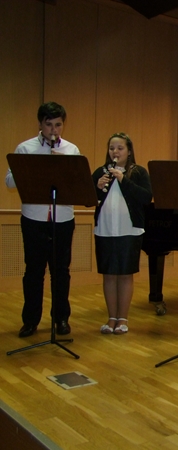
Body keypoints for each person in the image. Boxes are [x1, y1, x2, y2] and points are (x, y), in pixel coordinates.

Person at [5, 102, 80, 338]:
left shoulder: (71, 149)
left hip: (62, 218)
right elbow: (9, 181)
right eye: (49, 125)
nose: (53, 130)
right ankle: (30, 321)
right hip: (34, 219)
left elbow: (78, 184)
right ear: (40, 124)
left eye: (58, 125)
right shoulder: (25, 148)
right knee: (34, 271)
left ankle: (61, 319)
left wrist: (64, 167)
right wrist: (35, 167)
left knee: (61, 272)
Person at [92, 133, 152, 335]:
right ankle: (111, 318)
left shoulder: (138, 172)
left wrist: (123, 180)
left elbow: (146, 197)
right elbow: (88, 199)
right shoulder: (101, 172)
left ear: (129, 151)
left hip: (129, 229)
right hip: (105, 228)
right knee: (109, 274)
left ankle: (123, 318)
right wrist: (97, 187)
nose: (115, 152)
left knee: (125, 274)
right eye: (112, 148)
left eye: (120, 148)